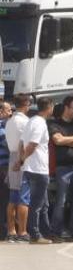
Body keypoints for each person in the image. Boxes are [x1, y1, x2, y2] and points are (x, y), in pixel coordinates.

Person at [48, 96, 73, 242]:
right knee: (61, 201)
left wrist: (68, 140)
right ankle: (56, 232)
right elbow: (57, 140)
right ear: (66, 107)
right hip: (62, 169)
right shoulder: (54, 124)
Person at [19, 97, 53, 244]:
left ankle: (46, 232)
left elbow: (21, 142)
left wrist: (21, 160)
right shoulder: (39, 123)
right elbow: (32, 145)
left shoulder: (31, 121)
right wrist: (22, 160)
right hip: (38, 168)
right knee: (37, 204)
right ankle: (35, 234)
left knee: (43, 203)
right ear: (49, 107)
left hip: (31, 167)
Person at [5, 94, 30, 242]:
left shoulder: (10, 121)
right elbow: (25, 144)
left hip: (11, 156)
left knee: (13, 196)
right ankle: (22, 231)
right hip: (22, 158)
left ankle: (11, 230)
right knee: (23, 197)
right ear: (26, 104)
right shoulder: (25, 122)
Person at [0, 101, 10, 240]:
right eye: (8, 110)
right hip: (2, 168)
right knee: (4, 201)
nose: (10, 113)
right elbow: (10, 146)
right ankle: (2, 231)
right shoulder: (2, 131)